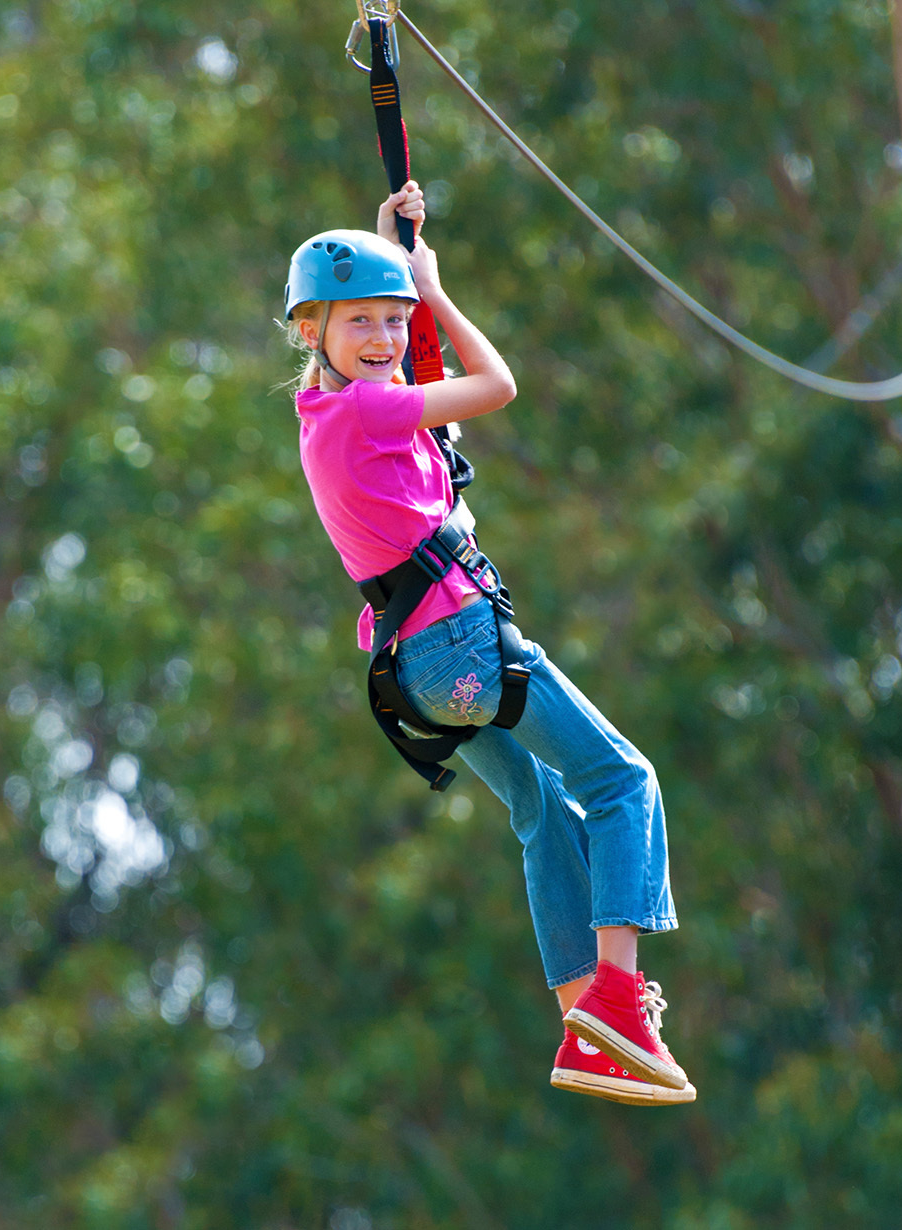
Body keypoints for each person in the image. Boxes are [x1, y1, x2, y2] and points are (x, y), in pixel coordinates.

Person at [281, 183, 693, 1106]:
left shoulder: (337, 421)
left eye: (393, 321)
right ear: (314, 333)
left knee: (544, 806)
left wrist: (396, 251)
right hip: (462, 642)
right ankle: (620, 1004)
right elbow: (497, 385)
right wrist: (432, 288)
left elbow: (432, 411)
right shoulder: (370, 412)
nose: (386, 339)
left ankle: (583, 1024)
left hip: (413, 674)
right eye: (362, 325)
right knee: (623, 782)